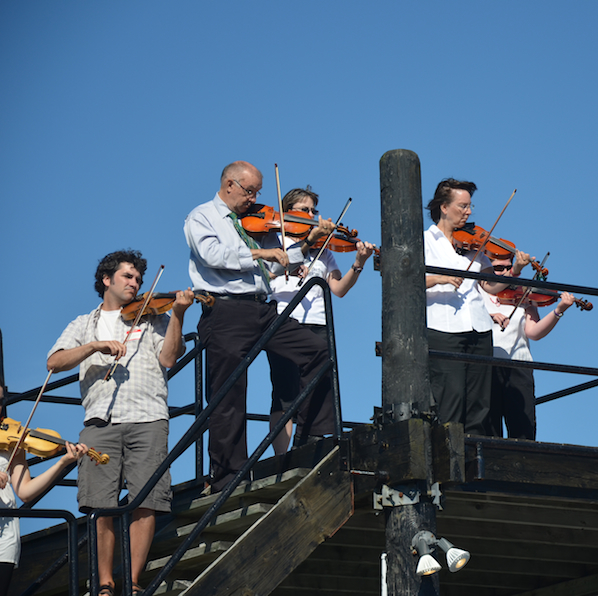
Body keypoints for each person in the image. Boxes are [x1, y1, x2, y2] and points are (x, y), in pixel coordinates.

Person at [46, 250, 192, 596]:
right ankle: (106, 584)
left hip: (149, 417)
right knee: (100, 505)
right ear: (106, 280)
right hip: (100, 421)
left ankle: (134, 579)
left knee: (148, 499)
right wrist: (95, 346)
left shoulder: (152, 318)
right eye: (128, 277)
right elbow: (55, 362)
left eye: (139, 279)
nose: (135, 284)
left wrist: (178, 315)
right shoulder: (84, 323)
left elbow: (169, 358)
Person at [184, 161, 336, 493]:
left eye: (258, 192)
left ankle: (311, 433)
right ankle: (228, 477)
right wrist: (262, 251)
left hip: (263, 309)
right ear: (229, 185)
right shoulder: (202, 217)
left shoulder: (259, 223)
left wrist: (306, 242)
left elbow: (286, 260)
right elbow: (213, 255)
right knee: (229, 395)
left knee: (318, 350)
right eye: (250, 191)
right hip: (225, 311)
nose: (254, 199)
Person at [267, 186, 376, 453]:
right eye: (304, 210)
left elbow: (337, 289)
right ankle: (281, 457)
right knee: (285, 389)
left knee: (318, 386)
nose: (311, 214)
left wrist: (358, 263)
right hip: (284, 319)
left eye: (314, 210)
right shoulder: (274, 241)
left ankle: (309, 444)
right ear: (288, 212)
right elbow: (267, 275)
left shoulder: (324, 251)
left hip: (318, 322)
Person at [424, 178, 523, 436]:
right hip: (444, 329)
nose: (469, 212)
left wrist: (515, 271)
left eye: (470, 206)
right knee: (451, 398)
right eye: (463, 206)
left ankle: (473, 462)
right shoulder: (424, 241)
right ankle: (448, 463)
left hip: (478, 328)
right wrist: (441, 278)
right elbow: (409, 279)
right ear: (444, 207)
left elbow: (490, 287)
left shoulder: (473, 247)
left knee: (480, 403)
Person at [0, 391, 90, 596]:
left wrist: (62, 463)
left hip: (4, 537)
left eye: (0, 401)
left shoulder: (11, 437)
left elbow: (25, 491)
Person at [480, 253, 576, 440]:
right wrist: (491, 315)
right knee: (489, 427)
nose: (505, 272)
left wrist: (558, 311)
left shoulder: (522, 294)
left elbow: (534, 332)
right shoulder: (479, 294)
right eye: (498, 268)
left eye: (508, 268)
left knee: (523, 427)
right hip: (487, 365)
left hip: (518, 364)